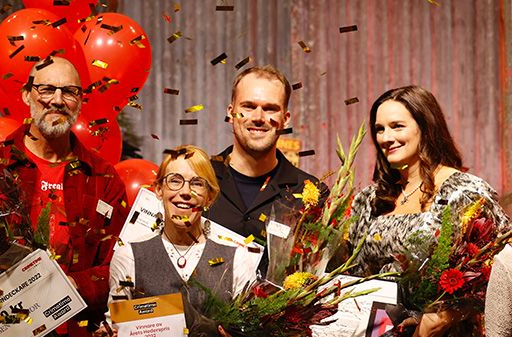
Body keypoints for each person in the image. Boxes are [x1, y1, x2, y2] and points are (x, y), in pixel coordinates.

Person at [0, 57, 129, 337]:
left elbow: (120, 262)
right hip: (3, 326)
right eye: (47, 89)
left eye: (69, 91)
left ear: (81, 101)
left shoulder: (102, 176)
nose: (58, 100)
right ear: (27, 94)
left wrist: (73, 285)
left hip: (76, 328)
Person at [348, 85, 509, 336]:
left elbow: (501, 272)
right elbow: (355, 278)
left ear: (426, 126)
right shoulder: (368, 200)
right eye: (379, 129)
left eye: (397, 126)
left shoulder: (465, 192)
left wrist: (446, 315)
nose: (385, 137)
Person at [99, 145, 259, 337]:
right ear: (159, 189)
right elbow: (116, 325)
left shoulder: (238, 259)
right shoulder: (129, 256)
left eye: (197, 183)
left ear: (209, 197)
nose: (185, 191)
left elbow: (250, 329)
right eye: (175, 181)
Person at [206, 65, 328, 275]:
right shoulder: (198, 178)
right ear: (231, 112)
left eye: (270, 108)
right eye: (248, 106)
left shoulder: (312, 194)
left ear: (285, 119)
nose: (258, 117)